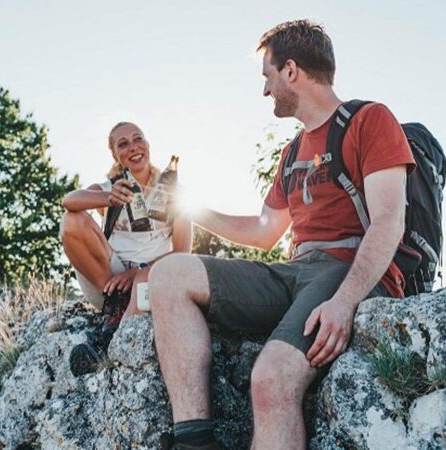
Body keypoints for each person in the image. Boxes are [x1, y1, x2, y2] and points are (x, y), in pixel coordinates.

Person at [147, 20, 416, 450]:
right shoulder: (292, 153)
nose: (265, 90)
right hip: (293, 273)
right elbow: (263, 232)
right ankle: (193, 439)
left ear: (290, 71)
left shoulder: (370, 120)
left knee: (272, 377)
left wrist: (344, 303)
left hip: (347, 269)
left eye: (267, 77)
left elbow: (388, 222)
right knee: (169, 275)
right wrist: (188, 211)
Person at [60, 121, 192, 337]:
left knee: (153, 278)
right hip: (108, 280)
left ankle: (113, 329)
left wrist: (137, 272)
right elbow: (69, 200)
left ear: (148, 145)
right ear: (115, 155)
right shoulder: (111, 187)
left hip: (152, 276)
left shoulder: (174, 192)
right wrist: (108, 197)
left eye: (138, 139)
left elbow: (182, 253)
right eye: (123, 144)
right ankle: (115, 306)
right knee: (70, 220)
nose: (133, 147)